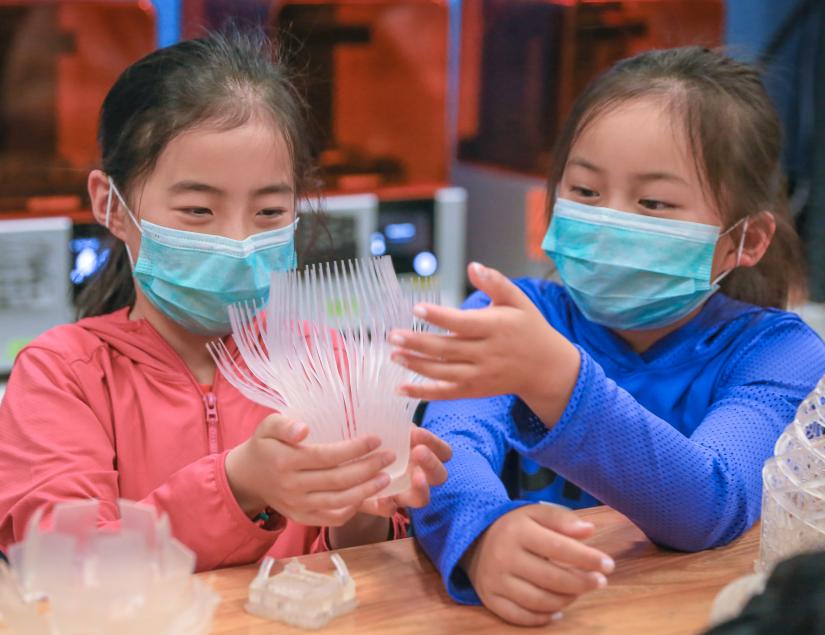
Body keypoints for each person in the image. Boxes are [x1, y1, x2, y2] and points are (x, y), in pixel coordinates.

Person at [390, 46, 825, 626]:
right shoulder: (506, 315)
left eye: (653, 203)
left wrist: (555, 379)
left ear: (745, 240)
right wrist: (481, 536)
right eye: (587, 193)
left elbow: (710, 505)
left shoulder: (780, 354)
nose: (609, 221)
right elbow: (446, 456)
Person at [0, 29, 450, 570]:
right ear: (111, 204)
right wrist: (238, 486)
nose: (238, 242)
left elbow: (357, 572)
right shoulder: (63, 376)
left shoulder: (331, 362)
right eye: (197, 211)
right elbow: (67, 564)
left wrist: (359, 513)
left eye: (267, 213)